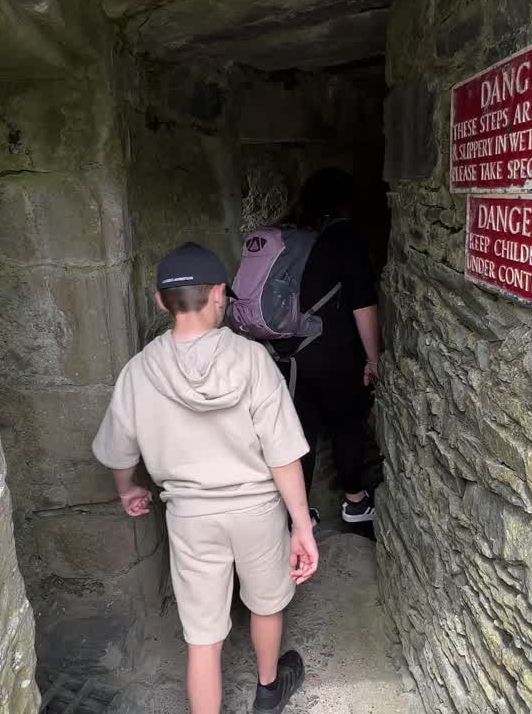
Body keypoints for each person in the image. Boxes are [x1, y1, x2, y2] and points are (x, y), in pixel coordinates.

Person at [92, 242, 318, 714]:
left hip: (191, 516)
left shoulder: (139, 371)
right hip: (256, 509)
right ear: (219, 294)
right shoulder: (253, 360)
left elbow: (118, 449)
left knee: (202, 636)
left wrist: (127, 488)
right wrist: (301, 524)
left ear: (159, 301)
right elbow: (282, 454)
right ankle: (269, 689)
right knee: (266, 602)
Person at [273, 167, 383, 525]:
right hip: (331, 353)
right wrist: (373, 357)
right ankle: (354, 502)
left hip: (287, 353)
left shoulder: (289, 235)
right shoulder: (344, 235)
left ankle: (299, 515)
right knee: (345, 423)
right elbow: (362, 302)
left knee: (297, 431)